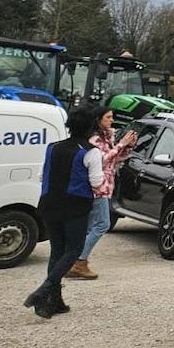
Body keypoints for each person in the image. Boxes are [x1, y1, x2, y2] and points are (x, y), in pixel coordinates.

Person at [24, 106, 104, 318]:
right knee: (74, 249)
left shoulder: (53, 147)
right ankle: (44, 290)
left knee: (57, 251)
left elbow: (42, 175)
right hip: (75, 205)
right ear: (92, 127)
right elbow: (97, 181)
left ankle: (53, 302)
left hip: (49, 203)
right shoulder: (90, 151)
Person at [69, 105, 135, 280]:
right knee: (102, 224)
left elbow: (115, 160)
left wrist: (127, 148)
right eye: (108, 117)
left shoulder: (107, 138)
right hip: (97, 188)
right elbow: (102, 161)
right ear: (98, 119)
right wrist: (121, 144)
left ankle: (75, 260)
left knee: (90, 226)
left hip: (105, 186)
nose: (111, 120)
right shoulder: (95, 140)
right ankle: (79, 261)